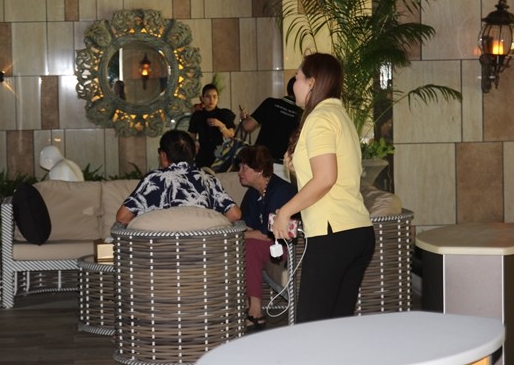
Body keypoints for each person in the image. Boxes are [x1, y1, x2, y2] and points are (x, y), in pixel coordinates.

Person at [271, 52, 374, 323]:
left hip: (333, 235)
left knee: (312, 328)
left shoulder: (320, 118)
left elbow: (326, 178)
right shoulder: (339, 114)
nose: (293, 84)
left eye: (297, 78)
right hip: (356, 231)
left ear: (312, 82)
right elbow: (330, 176)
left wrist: (284, 212)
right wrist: (296, 168)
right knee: (335, 326)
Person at [116, 130, 241, 224]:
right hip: (201, 249)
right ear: (194, 152)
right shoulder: (208, 179)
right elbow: (235, 214)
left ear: (163, 155)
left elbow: (122, 217)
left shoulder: (153, 180)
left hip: (161, 249)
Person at [236, 145, 297, 330]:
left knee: (250, 246)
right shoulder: (253, 192)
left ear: (260, 170)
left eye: (244, 167)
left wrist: (239, 237)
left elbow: (268, 233)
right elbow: (246, 224)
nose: (240, 172)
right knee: (242, 245)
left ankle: (255, 311)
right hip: (270, 244)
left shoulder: (279, 191)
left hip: (290, 245)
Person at [240, 76, 302, 181]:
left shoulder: (270, 103)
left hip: (259, 162)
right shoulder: (302, 114)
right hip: (282, 167)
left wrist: (243, 118)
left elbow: (247, 126)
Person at [188, 83, 236, 168]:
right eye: (208, 96)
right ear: (202, 98)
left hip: (221, 153)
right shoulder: (197, 115)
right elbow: (192, 137)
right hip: (203, 154)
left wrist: (221, 125)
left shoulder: (224, 114)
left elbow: (231, 135)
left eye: (214, 96)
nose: (211, 99)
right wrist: (193, 147)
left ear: (218, 98)